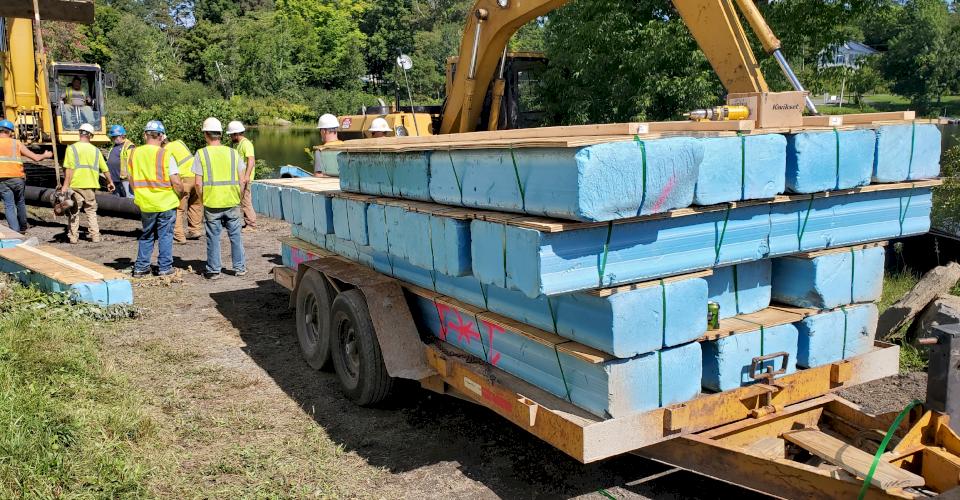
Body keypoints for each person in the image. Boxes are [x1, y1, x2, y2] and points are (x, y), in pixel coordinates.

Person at [192, 117, 245, 280]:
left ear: (206, 134)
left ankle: (214, 270)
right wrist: (239, 198)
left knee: (213, 237)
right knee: (235, 236)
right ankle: (240, 268)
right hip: (232, 200)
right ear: (221, 134)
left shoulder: (201, 154)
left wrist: (202, 200)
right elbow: (242, 180)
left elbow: (198, 184)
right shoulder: (233, 153)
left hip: (212, 203)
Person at [128, 120, 182, 277]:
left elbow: (131, 179)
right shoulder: (165, 154)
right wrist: (179, 194)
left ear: (145, 135)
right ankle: (165, 267)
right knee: (165, 235)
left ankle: (141, 267)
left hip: (146, 203)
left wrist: (140, 193)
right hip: (166, 202)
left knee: (147, 234)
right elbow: (176, 181)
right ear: (162, 136)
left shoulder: (134, 153)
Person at [59, 123, 114, 243]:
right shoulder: (96, 151)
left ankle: (73, 237)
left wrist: (65, 186)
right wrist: (110, 182)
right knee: (91, 210)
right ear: (91, 136)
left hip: (76, 184)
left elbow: (69, 169)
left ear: (80, 133)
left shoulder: (71, 148)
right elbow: (105, 169)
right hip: (91, 185)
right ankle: (95, 236)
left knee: (74, 211)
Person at [0, 119, 53, 232]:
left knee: (9, 205)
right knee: (20, 202)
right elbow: (36, 158)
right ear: (10, 132)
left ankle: (14, 231)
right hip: (17, 178)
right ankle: (23, 227)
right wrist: (46, 155)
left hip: (2, 180)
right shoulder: (16, 143)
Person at [164, 135, 202, 243]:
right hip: (196, 176)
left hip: (184, 179)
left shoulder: (165, 149)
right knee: (195, 204)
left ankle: (178, 236)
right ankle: (195, 230)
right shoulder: (180, 142)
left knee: (178, 208)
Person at [226, 120, 256, 230]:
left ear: (235, 133)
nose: (230, 137)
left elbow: (251, 160)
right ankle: (248, 222)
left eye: (230, 135)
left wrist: (247, 176)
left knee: (246, 200)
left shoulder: (246, 144)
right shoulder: (239, 145)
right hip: (242, 177)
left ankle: (251, 224)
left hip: (245, 178)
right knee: (243, 200)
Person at [106, 125, 135, 198]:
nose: (113, 139)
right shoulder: (114, 146)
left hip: (125, 180)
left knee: (128, 200)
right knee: (117, 202)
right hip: (114, 180)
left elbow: (133, 163)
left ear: (122, 136)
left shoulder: (129, 146)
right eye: (112, 137)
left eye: (115, 137)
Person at [314, 113, 342, 178]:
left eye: (320, 130)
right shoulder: (347, 147)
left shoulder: (320, 151)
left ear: (324, 131)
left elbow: (318, 176)